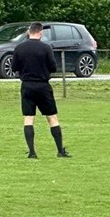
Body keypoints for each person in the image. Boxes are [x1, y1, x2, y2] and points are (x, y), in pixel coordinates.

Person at [11, 22, 71, 159]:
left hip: (27, 86)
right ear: (41, 32)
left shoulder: (19, 48)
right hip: (43, 86)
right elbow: (53, 67)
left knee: (28, 118)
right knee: (52, 117)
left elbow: (14, 67)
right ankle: (60, 151)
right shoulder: (46, 48)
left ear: (29, 32)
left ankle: (32, 152)